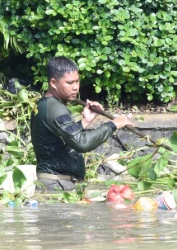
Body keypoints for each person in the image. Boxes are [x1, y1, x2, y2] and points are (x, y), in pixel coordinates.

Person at [30, 57, 133, 191]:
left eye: (77, 81)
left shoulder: (46, 104)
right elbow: (81, 143)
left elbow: (62, 141)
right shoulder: (55, 108)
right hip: (55, 185)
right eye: (70, 82)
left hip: (55, 183)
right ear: (54, 82)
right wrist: (113, 125)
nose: (75, 87)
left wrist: (85, 121)